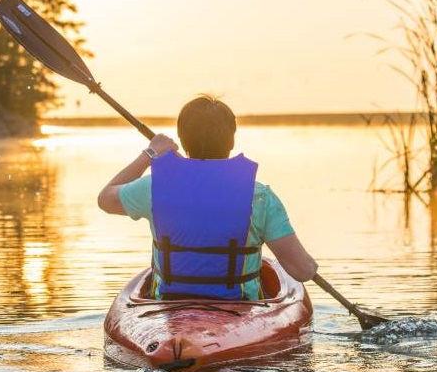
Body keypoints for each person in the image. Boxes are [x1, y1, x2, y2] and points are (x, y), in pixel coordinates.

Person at [97, 94, 318, 299]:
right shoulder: (259, 196)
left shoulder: (153, 187)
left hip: (168, 309)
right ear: (231, 140)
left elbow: (105, 198)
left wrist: (150, 154)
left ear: (183, 142)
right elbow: (301, 270)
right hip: (240, 310)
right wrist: (311, 266)